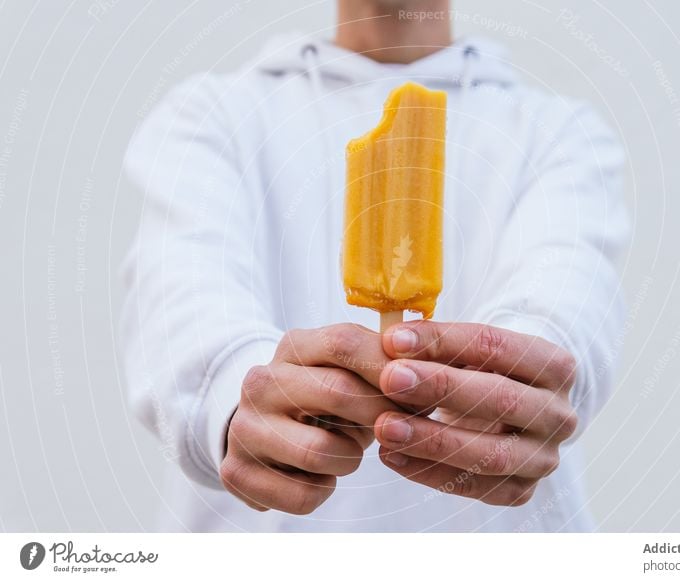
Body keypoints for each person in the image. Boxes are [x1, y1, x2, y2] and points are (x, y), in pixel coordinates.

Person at [120, 0, 629, 532]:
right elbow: (181, 303)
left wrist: (523, 379)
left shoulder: (561, 131)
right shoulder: (210, 114)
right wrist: (230, 398)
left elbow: (569, 300)